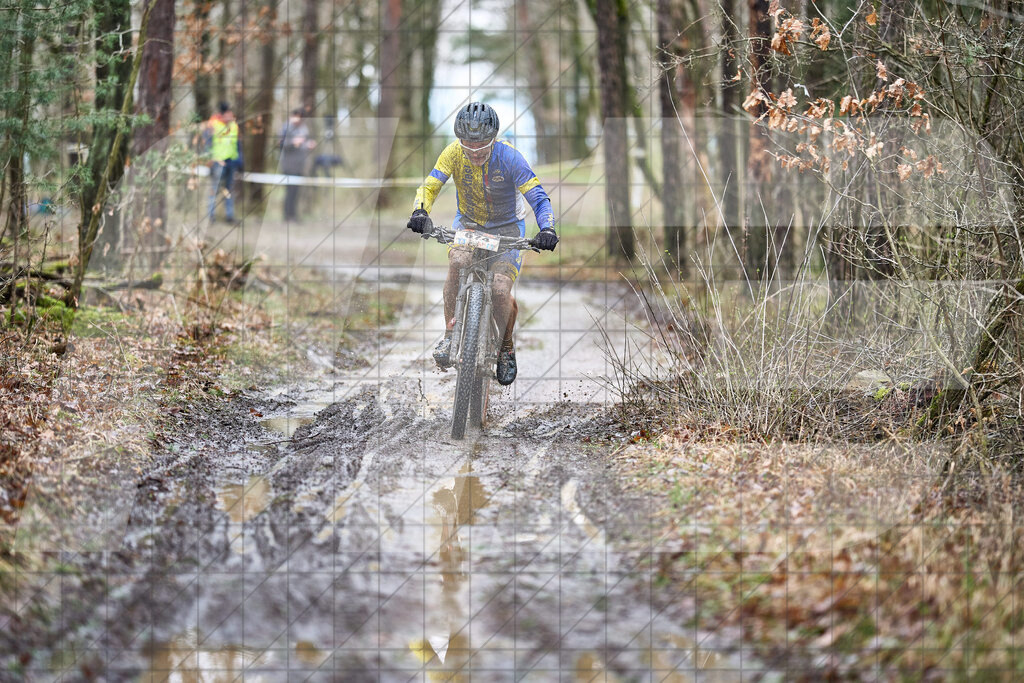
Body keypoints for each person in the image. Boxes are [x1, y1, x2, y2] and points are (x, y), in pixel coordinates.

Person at [407, 102, 559, 386]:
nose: (475, 152)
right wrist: (420, 211)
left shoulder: (510, 157)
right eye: (468, 145)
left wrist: (547, 227)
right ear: (459, 141)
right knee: (458, 261)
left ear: (494, 139)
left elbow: (538, 196)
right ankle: (450, 336)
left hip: (508, 228)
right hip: (468, 223)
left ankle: (506, 347)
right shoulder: (452, 153)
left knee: (500, 289)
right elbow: (430, 185)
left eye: (482, 146)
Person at [206, 101, 240, 223]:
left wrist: (238, 161)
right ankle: (210, 216)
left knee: (229, 190)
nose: (231, 116)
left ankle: (229, 216)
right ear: (223, 114)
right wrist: (210, 159)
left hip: (231, 162)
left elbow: (236, 145)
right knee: (214, 189)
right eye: (228, 113)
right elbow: (207, 144)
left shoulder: (234, 126)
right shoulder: (213, 125)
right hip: (217, 163)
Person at [278, 108, 315, 221]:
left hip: (300, 165)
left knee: (296, 192)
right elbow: (280, 144)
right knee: (289, 191)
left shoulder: (304, 128)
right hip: (288, 165)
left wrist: (309, 144)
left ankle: (293, 215)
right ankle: (287, 216)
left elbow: (304, 143)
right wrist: (293, 143)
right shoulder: (286, 127)